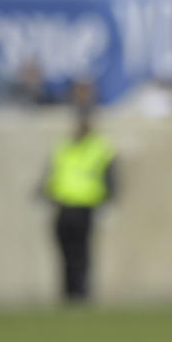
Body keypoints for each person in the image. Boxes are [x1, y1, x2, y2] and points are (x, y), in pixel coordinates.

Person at [40, 106, 117, 302]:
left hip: (85, 206)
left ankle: (81, 294)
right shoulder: (64, 146)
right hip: (63, 205)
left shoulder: (100, 147)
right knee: (64, 251)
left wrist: (109, 203)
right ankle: (67, 293)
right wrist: (43, 193)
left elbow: (110, 177)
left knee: (81, 252)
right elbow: (53, 174)